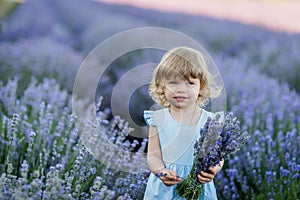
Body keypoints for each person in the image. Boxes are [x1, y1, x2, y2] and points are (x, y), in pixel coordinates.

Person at [143, 46, 224, 199]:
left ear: (201, 87)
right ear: (162, 86)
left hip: (198, 188)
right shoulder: (158, 119)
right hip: (164, 190)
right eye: (173, 83)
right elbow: (153, 156)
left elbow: (218, 155)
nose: (181, 89)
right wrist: (161, 172)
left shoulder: (210, 121)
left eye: (189, 83)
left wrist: (214, 169)